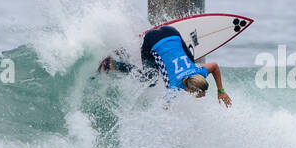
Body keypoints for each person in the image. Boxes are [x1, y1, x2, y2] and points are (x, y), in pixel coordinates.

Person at [99, 25, 232, 107]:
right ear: (190, 89)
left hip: (172, 32)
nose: (201, 95)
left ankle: (166, 50)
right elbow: (163, 106)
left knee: (191, 59)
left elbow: (214, 66)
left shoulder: (199, 72)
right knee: (150, 78)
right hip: (151, 39)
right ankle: (113, 64)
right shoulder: (174, 86)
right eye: (198, 92)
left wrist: (221, 91)